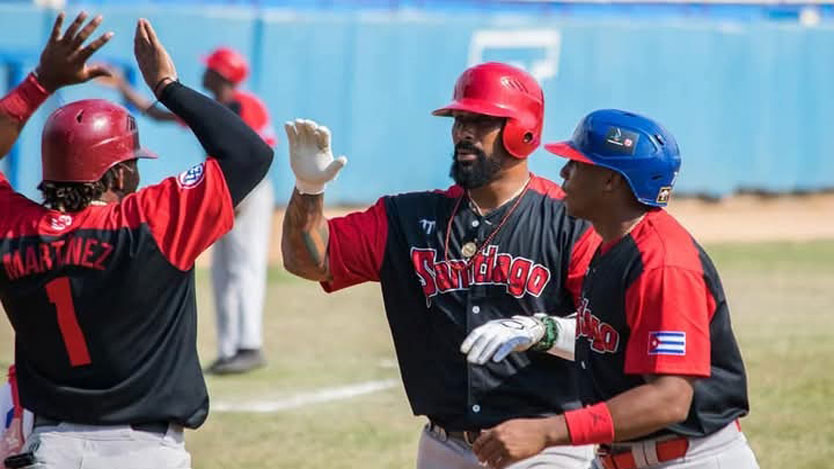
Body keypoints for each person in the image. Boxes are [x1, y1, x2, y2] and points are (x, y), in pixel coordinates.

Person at [281, 62, 600, 468]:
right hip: (445, 445)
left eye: (480, 121)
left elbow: (608, 333)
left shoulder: (570, 221)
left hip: (544, 444)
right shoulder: (407, 217)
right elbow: (309, 261)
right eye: (458, 120)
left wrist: (542, 331)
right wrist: (310, 190)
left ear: (523, 130)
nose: (463, 133)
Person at [0, 13, 272, 469]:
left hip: (47, 451)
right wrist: (167, 84)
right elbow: (249, 153)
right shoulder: (150, 221)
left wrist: (40, 82)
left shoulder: (13, 229)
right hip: (144, 454)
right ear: (122, 173)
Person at [461, 109, 759, 469]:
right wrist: (541, 330)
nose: (563, 173)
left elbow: (669, 400)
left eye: (577, 163)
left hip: (688, 460)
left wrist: (548, 432)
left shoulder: (662, 264)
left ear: (610, 181)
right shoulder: (612, 247)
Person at [98, 47, 276, 375]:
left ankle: (249, 344)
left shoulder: (244, 106)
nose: (203, 72)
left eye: (210, 68)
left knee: (244, 265)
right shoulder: (216, 106)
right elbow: (157, 114)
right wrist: (123, 86)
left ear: (222, 75)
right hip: (225, 187)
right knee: (222, 269)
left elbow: (253, 157)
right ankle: (229, 349)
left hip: (249, 188)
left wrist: (236, 201)